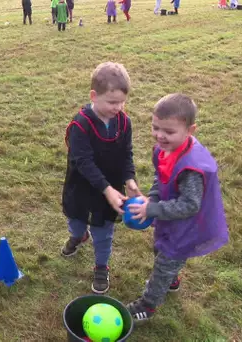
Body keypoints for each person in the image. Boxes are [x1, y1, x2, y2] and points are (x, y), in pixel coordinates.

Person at [125, 94, 229, 320]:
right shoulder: (165, 149)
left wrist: (152, 210)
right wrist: (152, 198)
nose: (160, 136)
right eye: (155, 127)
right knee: (160, 249)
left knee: (165, 261)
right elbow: (160, 178)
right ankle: (171, 280)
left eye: (168, 132)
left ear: (190, 131)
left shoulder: (191, 168)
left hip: (188, 226)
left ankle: (147, 305)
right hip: (170, 218)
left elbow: (190, 205)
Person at [61, 62, 141, 294]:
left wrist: (129, 180)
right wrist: (106, 189)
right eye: (112, 102)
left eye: (122, 102)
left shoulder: (124, 123)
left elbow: (126, 154)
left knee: (104, 231)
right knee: (76, 221)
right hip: (82, 186)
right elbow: (83, 162)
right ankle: (78, 236)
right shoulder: (81, 125)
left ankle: (101, 266)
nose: (118, 107)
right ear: (94, 96)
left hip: (111, 191)